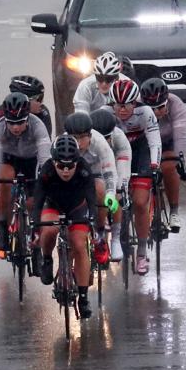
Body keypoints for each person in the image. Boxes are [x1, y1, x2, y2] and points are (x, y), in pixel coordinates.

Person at [32, 134, 96, 319]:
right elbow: (38, 200)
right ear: (53, 162)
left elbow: (91, 196)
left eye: (70, 166)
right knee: (49, 229)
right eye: (61, 166)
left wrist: (92, 217)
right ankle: (46, 259)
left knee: (79, 245)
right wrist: (35, 224)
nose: (66, 171)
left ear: (77, 162)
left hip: (77, 207)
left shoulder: (84, 169)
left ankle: (83, 297)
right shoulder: (46, 170)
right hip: (53, 205)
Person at [106, 78, 162, 275]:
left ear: (135, 103)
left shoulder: (145, 112)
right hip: (116, 152)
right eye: (117, 105)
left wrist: (154, 166)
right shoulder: (105, 114)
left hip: (140, 152)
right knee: (115, 194)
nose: (122, 110)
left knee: (139, 202)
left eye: (127, 105)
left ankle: (141, 253)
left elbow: (154, 142)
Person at [0, 92, 51, 252]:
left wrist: (46, 181)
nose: (15, 127)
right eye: (11, 123)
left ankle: (34, 232)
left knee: (32, 201)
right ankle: (2, 226)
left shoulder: (38, 126)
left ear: (28, 118)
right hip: (9, 159)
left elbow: (45, 159)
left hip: (32, 161)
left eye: (20, 122)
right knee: (3, 180)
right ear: (5, 119)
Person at [64, 111, 119, 263]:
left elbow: (109, 172)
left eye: (82, 137)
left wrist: (110, 194)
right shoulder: (62, 142)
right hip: (72, 175)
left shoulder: (100, 143)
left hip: (95, 174)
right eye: (74, 137)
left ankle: (100, 233)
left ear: (90, 135)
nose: (78, 142)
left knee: (100, 190)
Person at [139, 78, 186, 232]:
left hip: (168, 141)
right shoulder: (137, 106)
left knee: (169, 167)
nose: (156, 112)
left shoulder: (176, 104)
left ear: (167, 102)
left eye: (160, 107)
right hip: (145, 141)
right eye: (151, 108)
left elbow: (181, 135)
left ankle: (174, 211)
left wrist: (182, 162)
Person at [90, 108, 132, 261]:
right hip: (93, 167)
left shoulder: (119, 137)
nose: (104, 141)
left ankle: (115, 238)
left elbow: (123, 166)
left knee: (117, 193)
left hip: (114, 165)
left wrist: (120, 187)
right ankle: (97, 228)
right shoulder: (87, 137)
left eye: (107, 137)